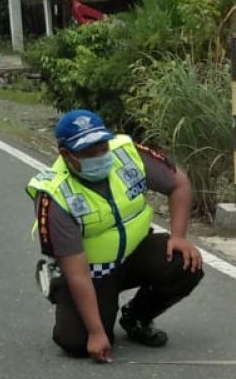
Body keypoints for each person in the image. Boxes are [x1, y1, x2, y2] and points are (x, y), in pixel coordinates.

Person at [26, 110, 204, 363]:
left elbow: (179, 183)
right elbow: (79, 273)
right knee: (76, 343)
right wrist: (96, 333)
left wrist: (178, 236)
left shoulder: (125, 153)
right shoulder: (55, 196)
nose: (100, 156)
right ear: (67, 155)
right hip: (90, 271)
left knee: (184, 261)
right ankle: (58, 282)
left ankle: (137, 317)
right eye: (89, 152)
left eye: (102, 146)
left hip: (134, 253)